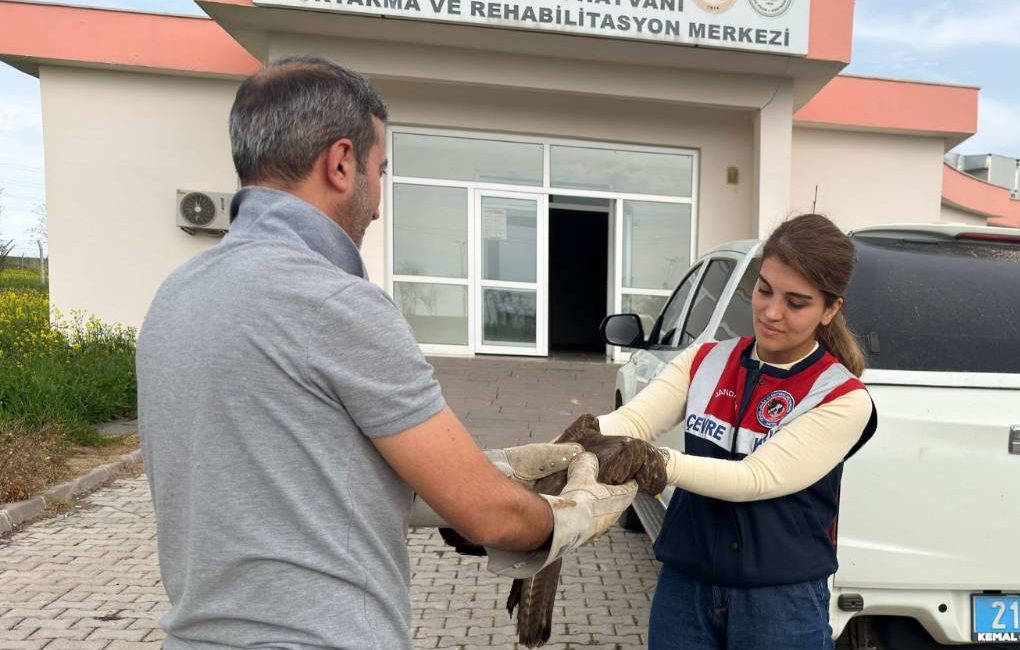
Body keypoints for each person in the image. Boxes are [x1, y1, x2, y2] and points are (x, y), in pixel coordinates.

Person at [136, 56, 637, 649]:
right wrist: (580, 511)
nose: (378, 204)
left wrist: (495, 467)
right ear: (341, 163)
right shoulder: (336, 304)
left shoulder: (176, 296)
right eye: (381, 171)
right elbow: (492, 519)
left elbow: (303, 472)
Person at [595, 213, 877, 650]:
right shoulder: (706, 358)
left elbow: (754, 478)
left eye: (796, 302)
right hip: (685, 586)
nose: (771, 311)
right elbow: (632, 421)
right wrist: (582, 438)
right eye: (764, 290)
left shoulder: (841, 396)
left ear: (830, 309)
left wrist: (656, 463)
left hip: (779, 602)